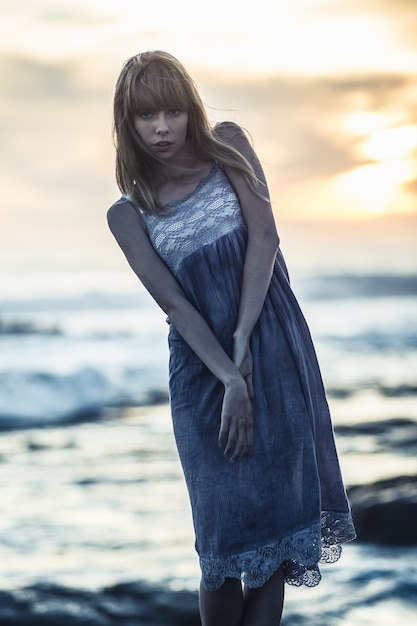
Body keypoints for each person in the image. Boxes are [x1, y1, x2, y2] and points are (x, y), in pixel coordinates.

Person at [107, 50, 356, 626]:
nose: (163, 128)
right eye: (147, 117)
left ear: (191, 109)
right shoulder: (128, 213)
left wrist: (244, 344)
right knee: (220, 546)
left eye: (172, 111)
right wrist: (227, 375)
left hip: (272, 345)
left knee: (271, 540)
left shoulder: (230, 146)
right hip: (201, 372)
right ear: (127, 123)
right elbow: (174, 304)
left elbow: (265, 237)